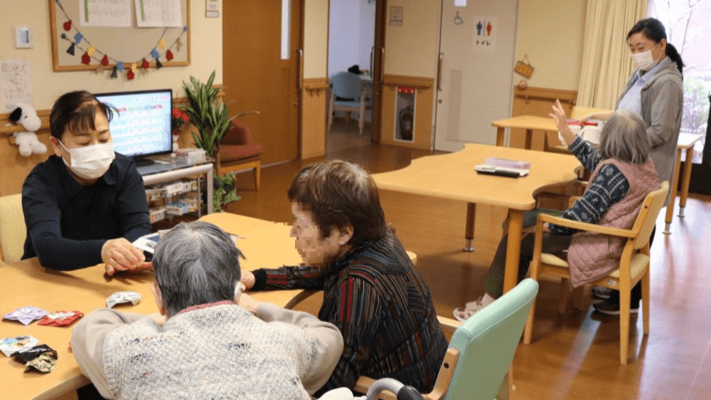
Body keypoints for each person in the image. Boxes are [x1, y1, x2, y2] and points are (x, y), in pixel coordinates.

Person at [240, 160, 448, 396]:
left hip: (395, 394)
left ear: (343, 232)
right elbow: (325, 271)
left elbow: (336, 382)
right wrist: (258, 278)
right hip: (428, 381)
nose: (292, 232)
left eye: (301, 224)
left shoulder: (359, 285)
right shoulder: (381, 243)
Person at [71, 221, 343, 399]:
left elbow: (89, 328)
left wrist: (158, 320)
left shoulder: (132, 351)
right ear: (237, 290)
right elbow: (329, 336)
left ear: (159, 297)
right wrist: (259, 308)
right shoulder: (281, 341)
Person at [453, 105, 660, 321]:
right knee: (521, 221)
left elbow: (580, 218)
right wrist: (567, 132)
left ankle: (488, 306)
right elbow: (596, 164)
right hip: (613, 236)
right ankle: (505, 295)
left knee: (516, 237)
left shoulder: (613, 173)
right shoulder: (642, 165)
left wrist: (542, 227)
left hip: (596, 239)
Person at [579, 18, 684, 315]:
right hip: (627, 165)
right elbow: (626, 114)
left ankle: (628, 298)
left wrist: (620, 144)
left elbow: (660, 131)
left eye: (641, 47)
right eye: (632, 48)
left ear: (661, 45)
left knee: (637, 231)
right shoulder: (642, 75)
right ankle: (616, 286)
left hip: (645, 168)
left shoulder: (667, 82)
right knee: (623, 226)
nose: (636, 53)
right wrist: (599, 118)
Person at [22, 90, 151, 274]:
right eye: (84, 143)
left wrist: (123, 257)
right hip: (50, 276)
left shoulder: (124, 170)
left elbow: (139, 227)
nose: (97, 148)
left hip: (106, 274)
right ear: (57, 145)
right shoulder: (41, 181)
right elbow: (47, 246)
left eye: (104, 138)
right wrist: (102, 250)